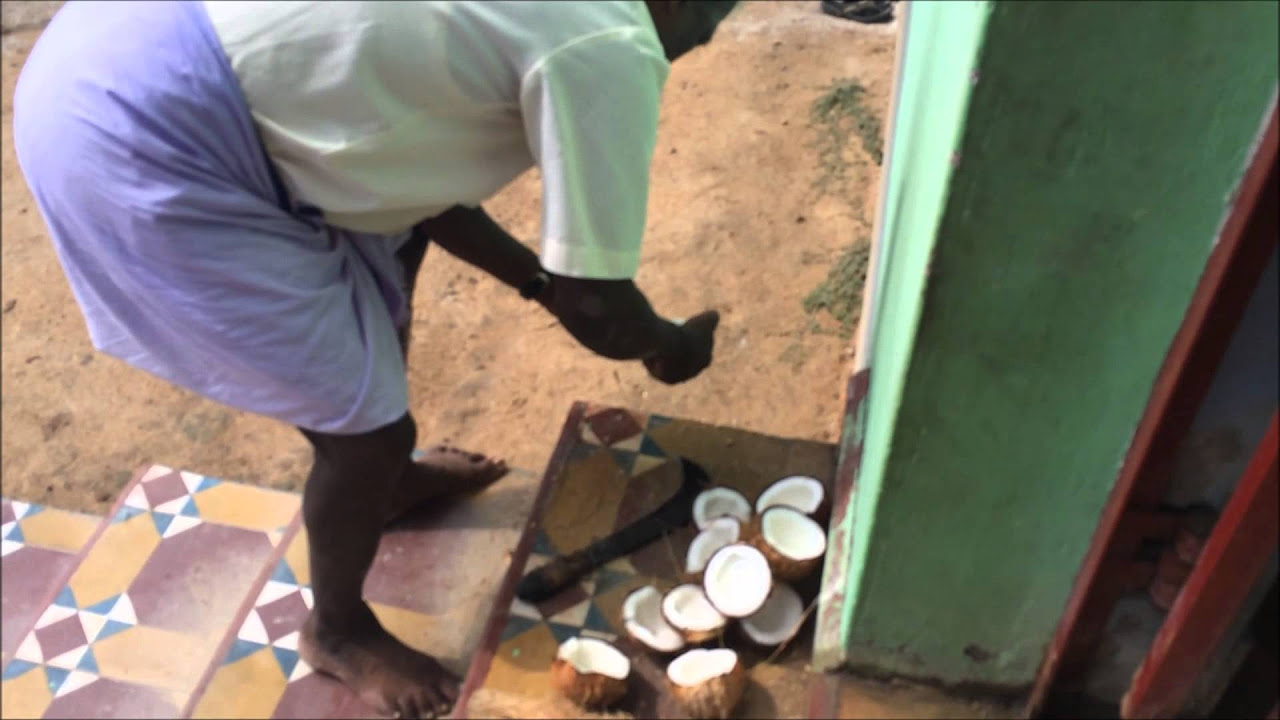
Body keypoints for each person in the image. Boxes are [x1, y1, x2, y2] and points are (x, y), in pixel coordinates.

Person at [13, 1, 735, 717]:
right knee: (364, 436)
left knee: (392, 252)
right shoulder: (611, 37)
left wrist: (537, 284)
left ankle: (389, 487)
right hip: (132, 134)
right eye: (697, 32)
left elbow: (421, 193)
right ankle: (339, 629)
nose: (682, 53)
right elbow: (599, 302)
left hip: (111, 46)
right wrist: (669, 347)